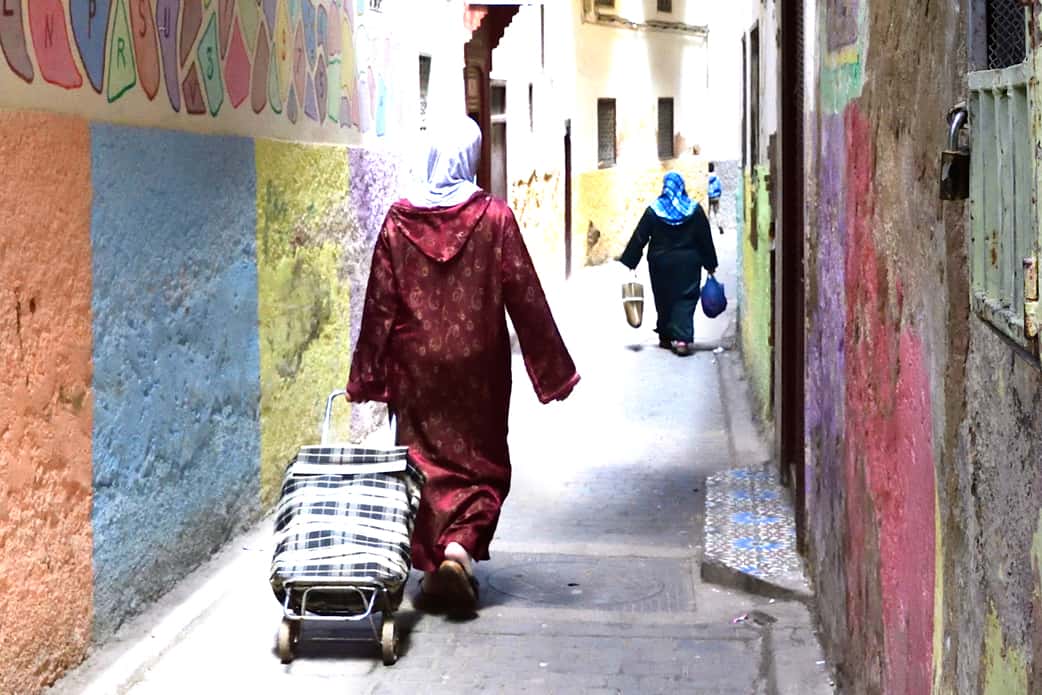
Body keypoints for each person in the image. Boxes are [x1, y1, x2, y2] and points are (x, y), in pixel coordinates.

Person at [346, 116, 580, 616]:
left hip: (417, 370)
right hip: (479, 368)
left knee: (425, 462)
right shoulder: (496, 219)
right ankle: (458, 552)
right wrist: (553, 371)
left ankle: (438, 566)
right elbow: (526, 296)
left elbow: (380, 304)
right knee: (480, 463)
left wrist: (367, 375)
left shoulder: (398, 221)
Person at [618, 172, 719, 357]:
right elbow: (705, 239)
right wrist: (710, 264)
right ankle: (682, 339)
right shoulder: (694, 210)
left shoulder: (654, 210)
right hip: (688, 264)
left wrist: (631, 261)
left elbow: (640, 236)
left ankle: (666, 336)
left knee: (664, 299)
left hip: (660, 264)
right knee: (685, 299)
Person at [707, 162, 724, 234]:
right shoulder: (717, 177)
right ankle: (719, 225)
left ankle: (707, 227)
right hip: (716, 197)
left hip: (708, 197)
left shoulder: (706, 177)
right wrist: (719, 195)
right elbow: (720, 187)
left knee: (707, 213)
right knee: (717, 213)